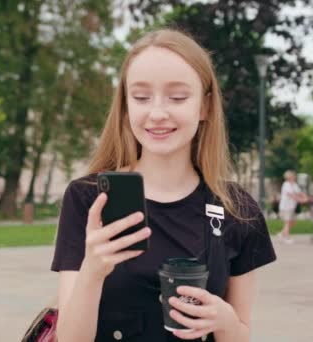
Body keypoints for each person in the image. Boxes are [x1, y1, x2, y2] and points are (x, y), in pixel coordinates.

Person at [51, 29, 276, 342]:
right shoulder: (88, 198)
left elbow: (240, 334)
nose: (157, 113)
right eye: (141, 97)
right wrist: (93, 271)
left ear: (205, 107)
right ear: (126, 106)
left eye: (178, 97)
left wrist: (226, 322)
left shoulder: (237, 209)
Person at [277, 170, 308, 244]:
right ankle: (286, 238)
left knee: (293, 222)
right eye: (293, 176)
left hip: (292, 207)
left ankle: (282, 233)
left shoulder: (294, 184)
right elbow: (291, 195)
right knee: (287, 222)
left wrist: (305, 197)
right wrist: (301, 200)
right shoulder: (286, 184)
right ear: (289, 177)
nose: (295, 177)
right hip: (286, 207)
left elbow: (299, 192)